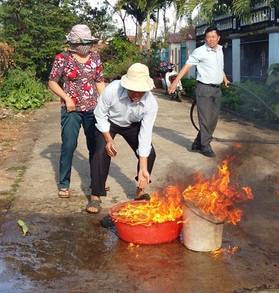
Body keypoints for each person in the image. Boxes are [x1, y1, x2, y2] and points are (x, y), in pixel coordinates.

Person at [86, 63, 158, 214]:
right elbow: (100, 114)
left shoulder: (151, 103)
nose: (137, 94)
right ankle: (96, 195)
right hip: (108, 122)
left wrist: (143, 168)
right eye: (133, 90)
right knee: (101, 152)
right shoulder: (112, 90)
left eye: (141, 91)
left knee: (150, 154)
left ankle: (140, 192)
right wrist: (108, 139)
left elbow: (145, 134)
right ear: (126, 85)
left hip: (132, 124)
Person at [48, 24, 106, 199]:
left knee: (95, 147)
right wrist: (67, 98)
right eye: (82, 41)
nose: (86, 45)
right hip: (71, 109)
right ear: (73, 42)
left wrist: (104, 104)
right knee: (69, 145)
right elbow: (52, 82)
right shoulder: (63, 58)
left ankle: (97, 181)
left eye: (88, 41)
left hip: (92, 109)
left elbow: (99, 82)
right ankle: (64, 184)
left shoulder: (95, 57)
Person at [168, 25, 230, 158]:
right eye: (208, 37)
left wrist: (224, 79)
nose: (211, 39)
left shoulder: (220, 50)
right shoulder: (200, 51)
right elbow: (187, 66)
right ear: (205, 38)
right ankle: (205, 146)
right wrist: (175, 82)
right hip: (204, 89)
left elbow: (220, 67)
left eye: (213, 37)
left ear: (218, 38)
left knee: (213, 120)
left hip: (217, 89)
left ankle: (197, 142)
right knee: (205, 119)